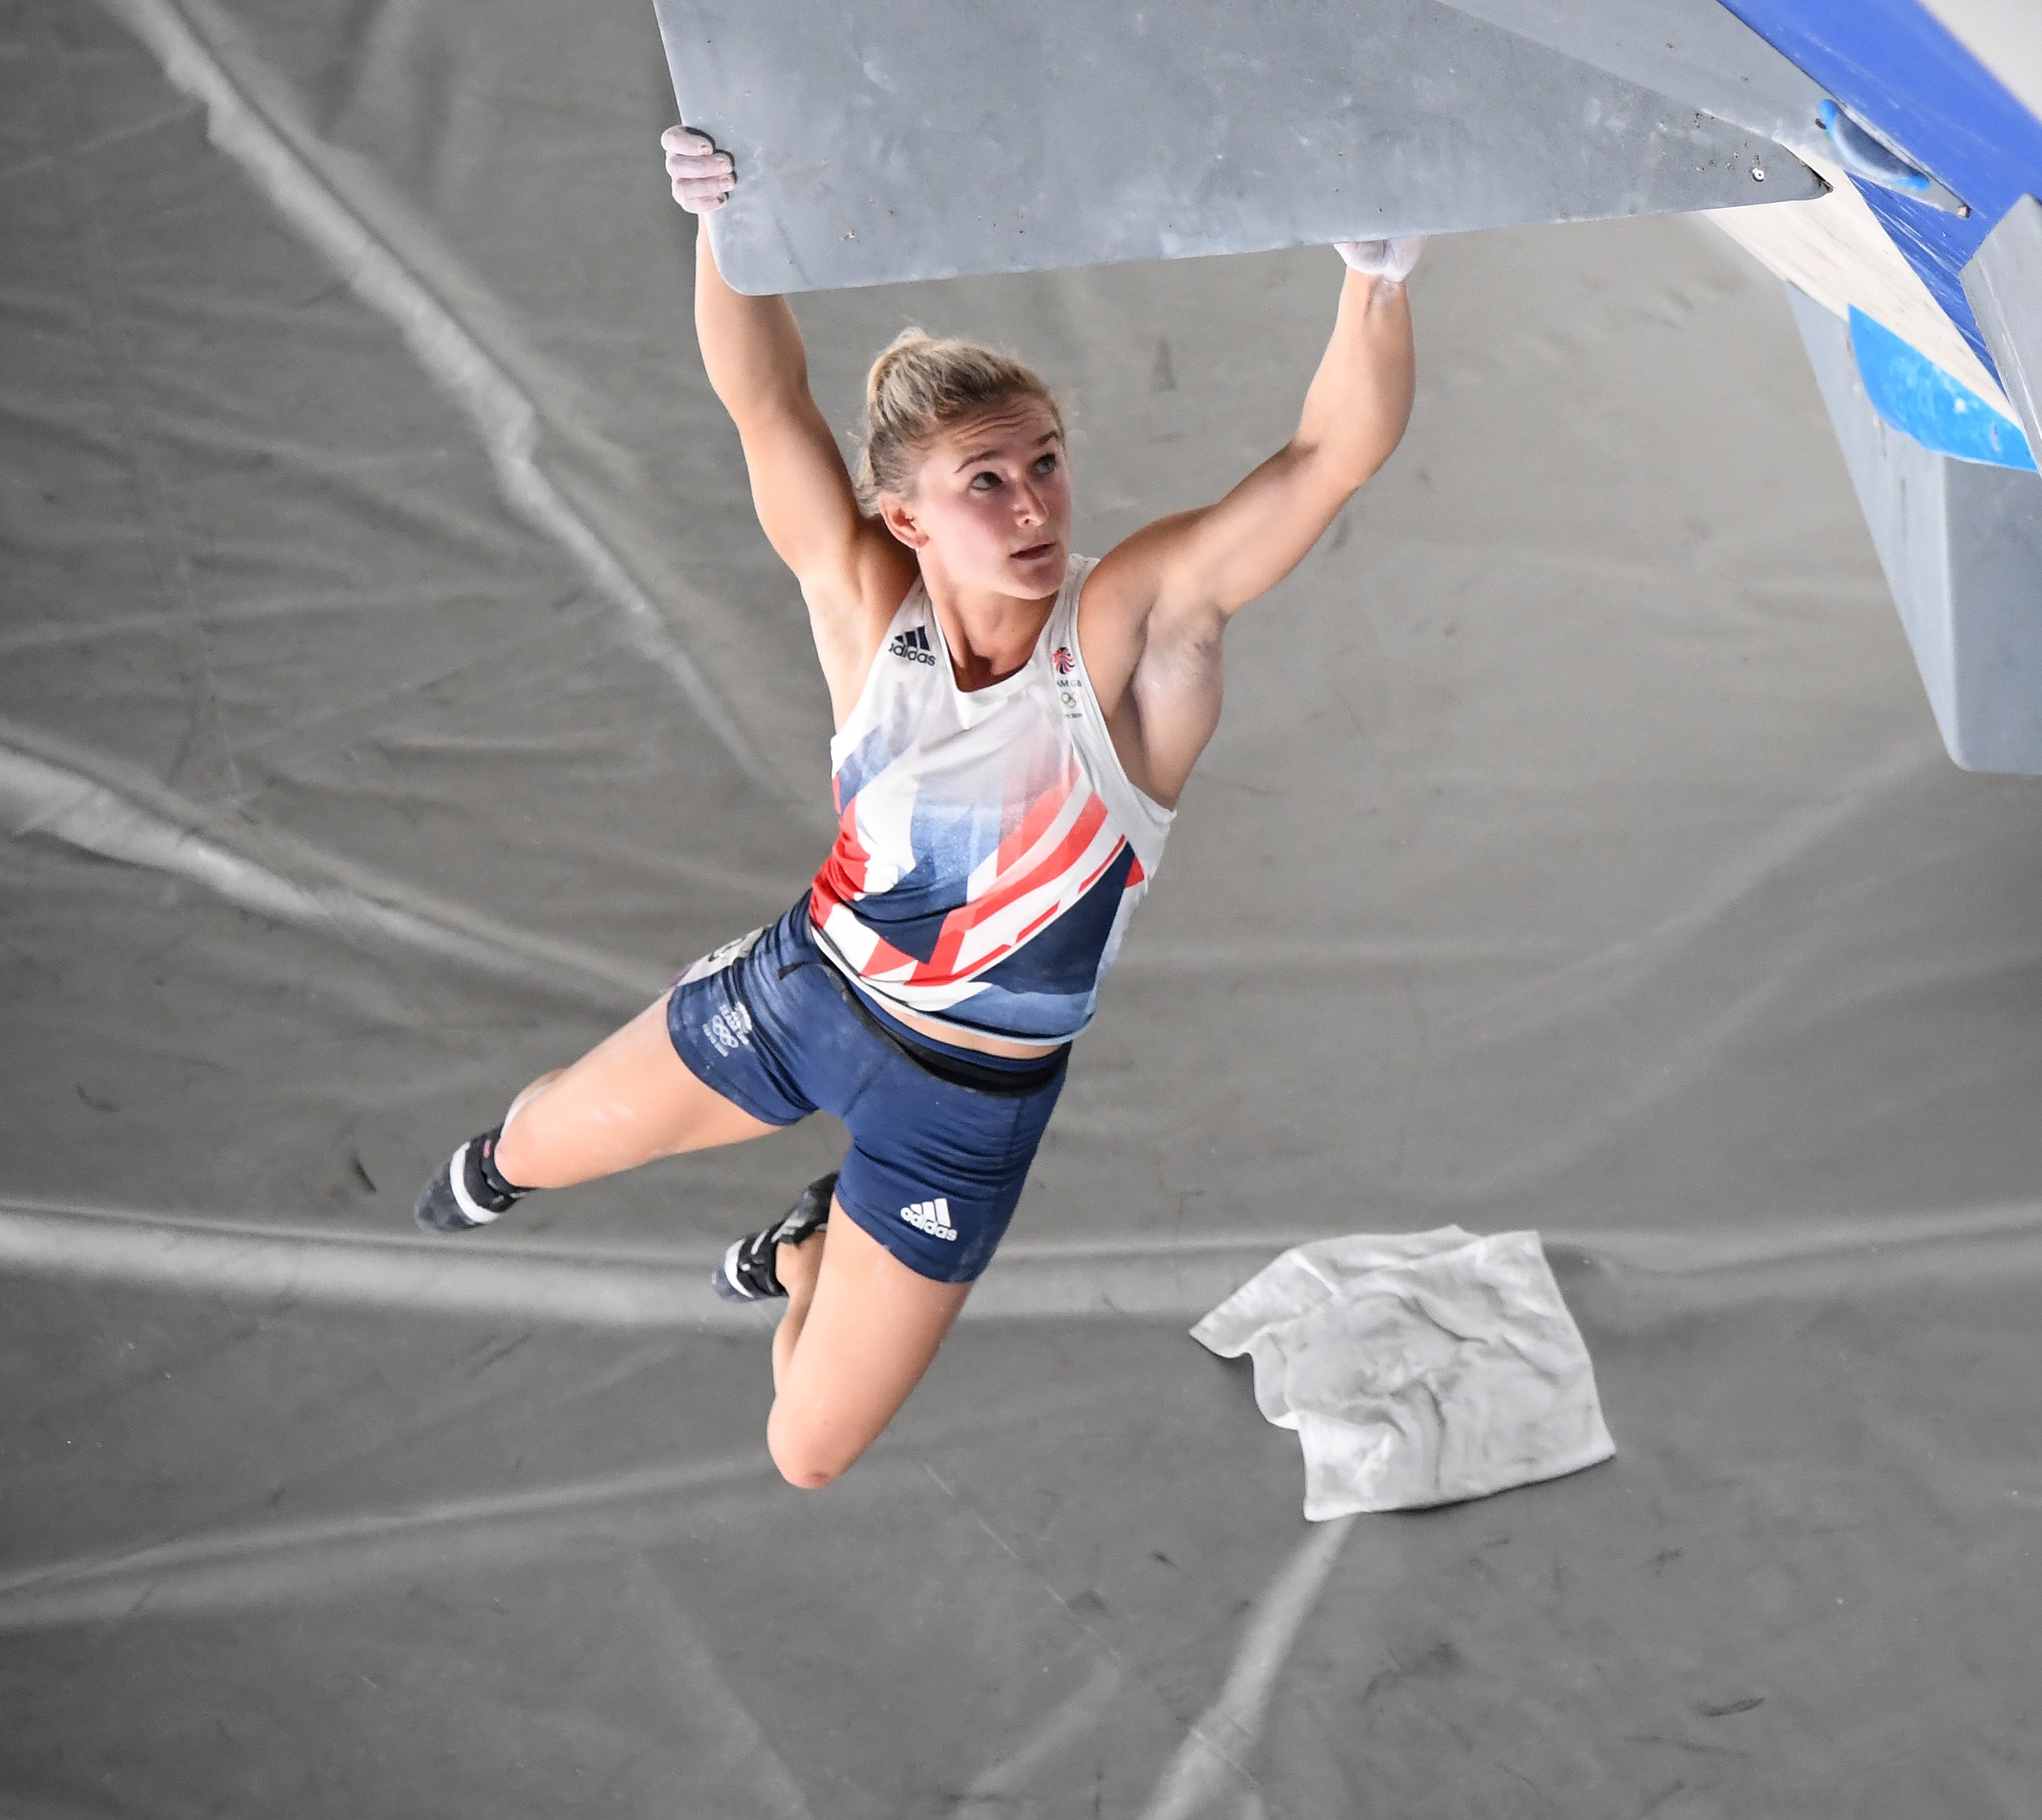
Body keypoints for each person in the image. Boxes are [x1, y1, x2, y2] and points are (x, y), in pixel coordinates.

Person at [415, 126, 1419, 1490]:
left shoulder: (1128, 632)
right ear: (905, 521)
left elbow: (1325, 459)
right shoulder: (863, 610)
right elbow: (766, 405)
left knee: (807, 1452)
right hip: (801, 996)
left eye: (1046, 463)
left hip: (963, 1109)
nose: (1033, 507)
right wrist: (727, 231)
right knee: (526, 1147)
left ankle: (809, 1245)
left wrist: (1378, 275)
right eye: (986, 483)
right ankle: (523, 1158)